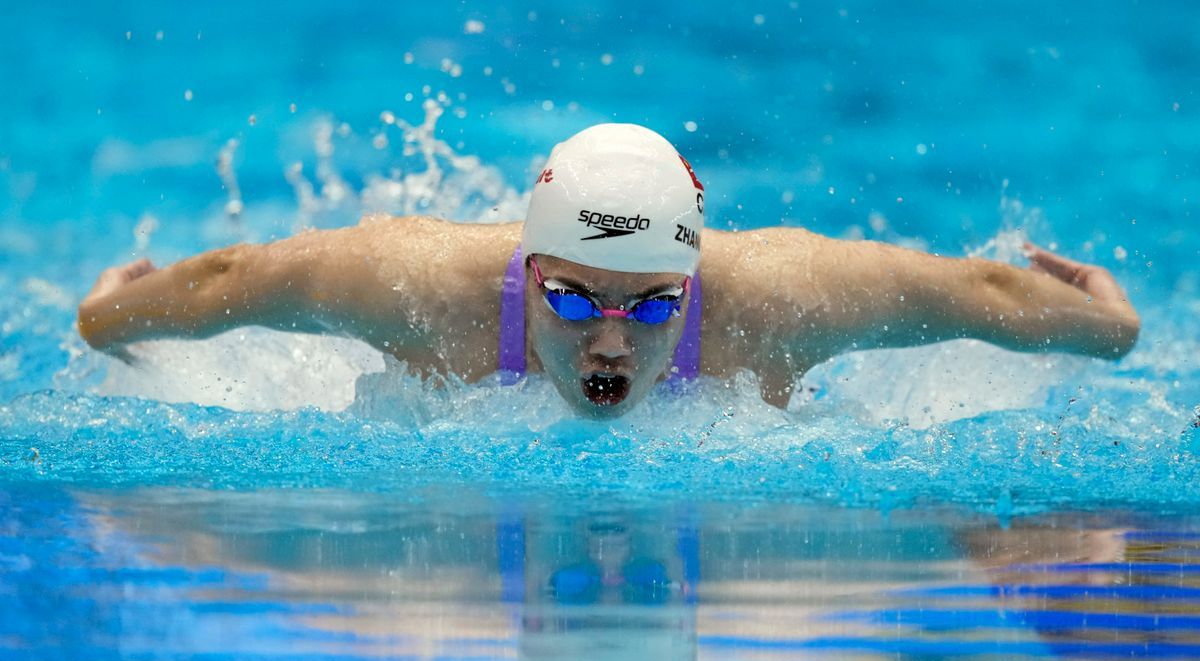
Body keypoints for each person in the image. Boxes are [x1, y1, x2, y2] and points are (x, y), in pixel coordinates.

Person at [77, 124, 1140, 418]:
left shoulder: (780, 299)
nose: (611, 340)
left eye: (653, 304)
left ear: (695, 281)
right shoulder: (417, 282)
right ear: (528, 264)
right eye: (574, 295)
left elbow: (974, 296)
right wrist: (106, 320)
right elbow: (237, 276)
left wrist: (1112, 330)